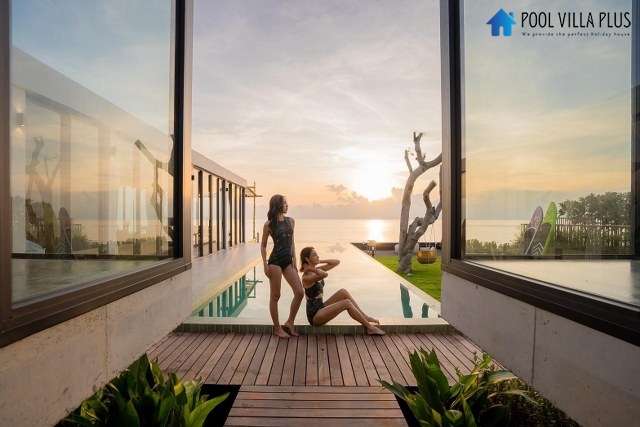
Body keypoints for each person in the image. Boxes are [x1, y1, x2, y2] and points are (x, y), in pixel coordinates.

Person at [299, 246, 385, 335]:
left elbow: (336, 262)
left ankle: (365, 317)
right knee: (346, 303)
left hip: (321, 307)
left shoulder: (317, 270)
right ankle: (370, 328)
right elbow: (324, 275)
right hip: (315, 316)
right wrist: (312, 268)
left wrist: (319, 261)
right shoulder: (306, 278)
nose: (318, 256)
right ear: (307, 259)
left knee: (343, 292)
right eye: (314, 255)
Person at [261, 194, 305, 339]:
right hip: (275, 261)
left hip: (288, 261)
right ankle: (277, 328)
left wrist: (295, 257)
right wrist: (265, 264)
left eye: (287, 203)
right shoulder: (269, 225)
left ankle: (290, 322)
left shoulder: (291, 221)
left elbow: (292, 241)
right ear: (278, 205)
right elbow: (263, 246)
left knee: (299, 292)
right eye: (285, 203)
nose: (287, 205)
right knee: (275, 296)